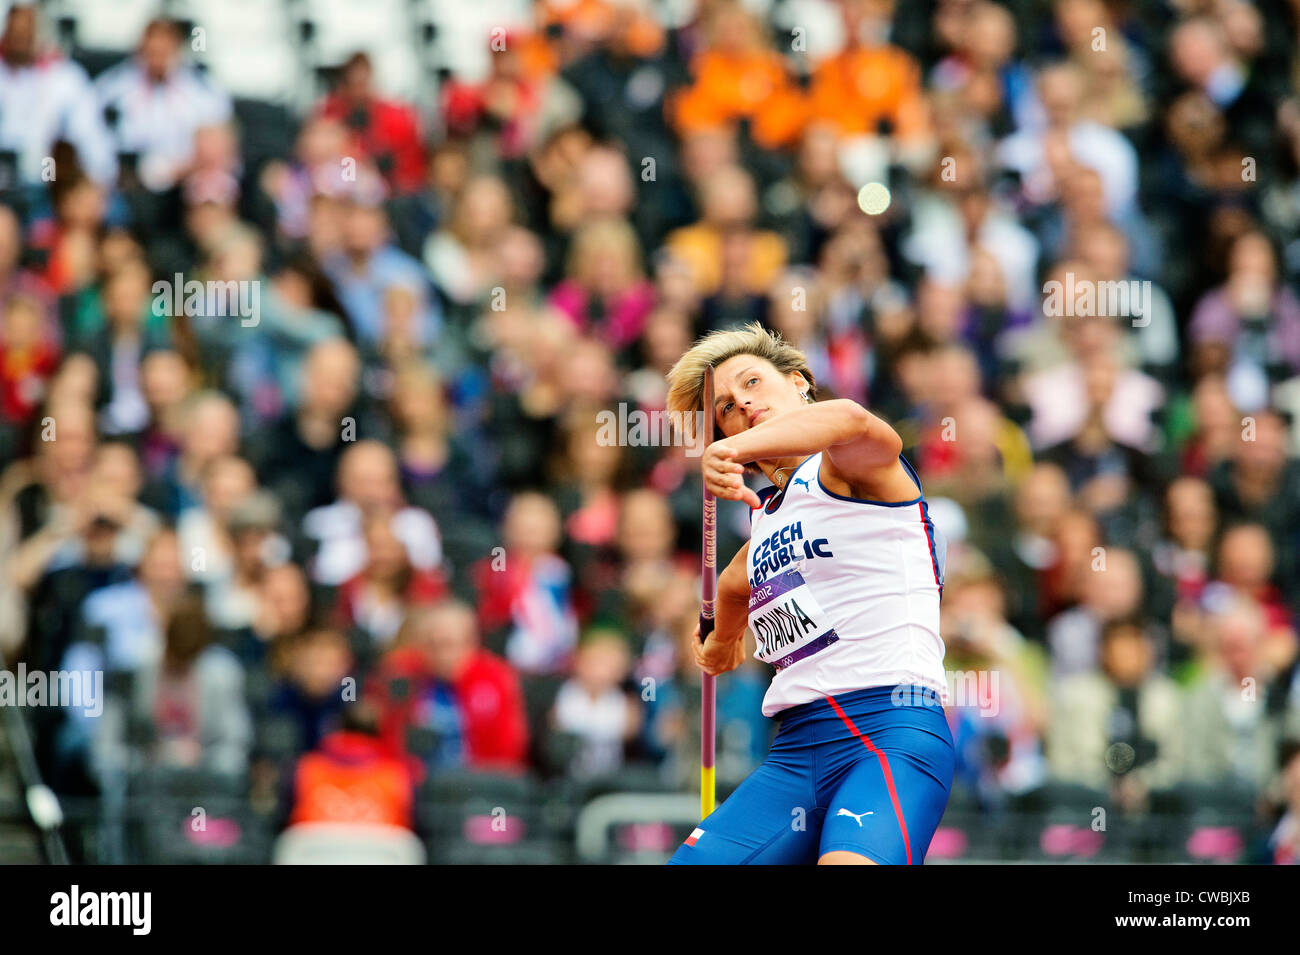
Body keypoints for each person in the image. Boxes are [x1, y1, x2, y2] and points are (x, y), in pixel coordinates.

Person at [665, 323, 953, 865]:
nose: (743, 403)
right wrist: (724, 643)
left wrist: (732, 447)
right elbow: (732, 584)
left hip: (888, 732)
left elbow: (849, 419)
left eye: (752, 382)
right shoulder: (767, 517)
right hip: (796, 753)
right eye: (725, 407)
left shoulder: (847, 466)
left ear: (799, 382)